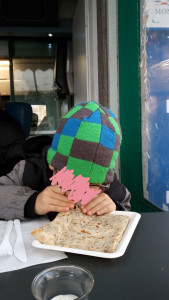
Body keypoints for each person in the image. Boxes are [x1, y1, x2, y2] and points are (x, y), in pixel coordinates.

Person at [0, 101, 131, 221]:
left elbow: (126, 204)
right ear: (52, 165)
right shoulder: (29, 169)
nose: (81, 192)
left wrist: (114, 207)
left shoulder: (107, 182)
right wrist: (33, 202)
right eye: (73, 182)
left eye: (93, 185)